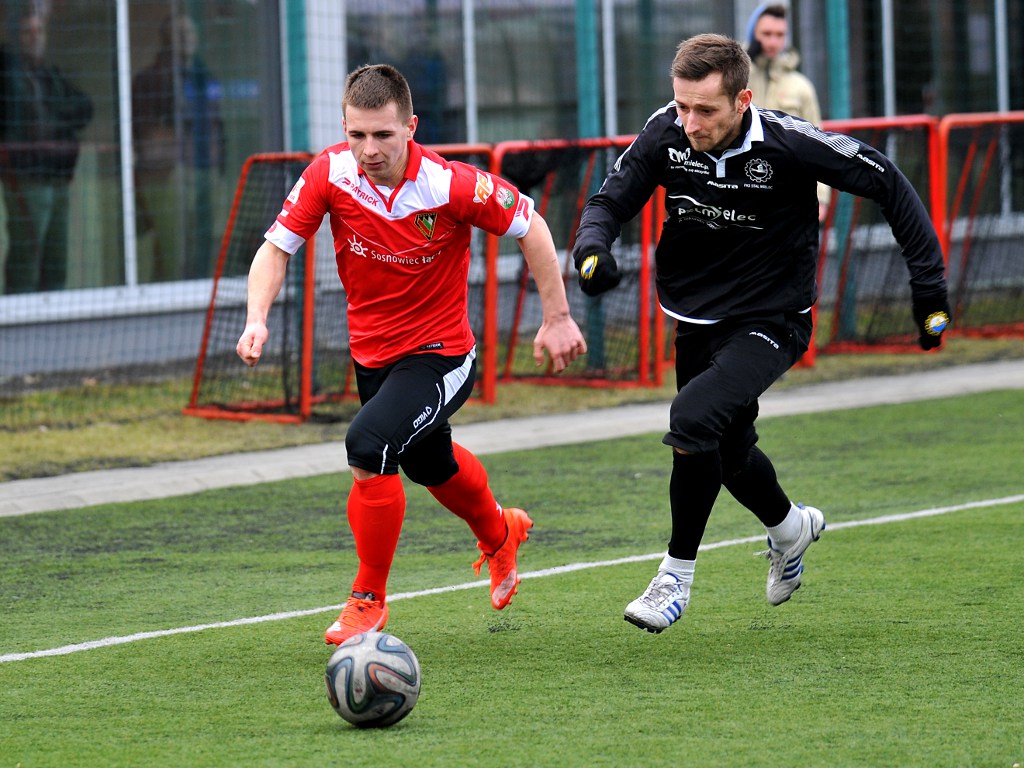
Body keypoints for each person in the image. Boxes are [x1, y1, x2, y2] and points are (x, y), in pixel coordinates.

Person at [572, 34, 950, 634]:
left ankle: (674, 578)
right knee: (727, 452)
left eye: (705, 110)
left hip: (773, 319)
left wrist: (928, 287)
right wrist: (592, 250)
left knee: (692, 418)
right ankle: (791, 528)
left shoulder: (791, 143)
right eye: (682, 106)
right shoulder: (666, 132)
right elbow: (608, 203)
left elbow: (888, 180)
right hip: (696, 316)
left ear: (743, 100)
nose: (690, 122)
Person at [236, 64, 587, 646]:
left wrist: (556, 317)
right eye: (356, 135)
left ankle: (367, 599)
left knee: (368, 445)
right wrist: (256, 318)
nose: (369, 150)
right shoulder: (329, 173)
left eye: (383, 135)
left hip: (441, 354)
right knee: (429, 463)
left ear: (411, 127)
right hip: (373, 357)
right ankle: (501, 533)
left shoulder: (449, 184)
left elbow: (532, 225)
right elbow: (276, 249)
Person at [0, 10, 92, 294]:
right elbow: (20, 120)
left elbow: (84, 108)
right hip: (26, 176)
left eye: (40, 31)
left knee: (56, 259)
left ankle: (53, 309)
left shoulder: (50, 75)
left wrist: (53, 119)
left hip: (57, 176)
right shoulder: (8, 73)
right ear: (16, 37)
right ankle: (19, 309)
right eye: (27, 32)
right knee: (26, 256)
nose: (35, 38)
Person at [132, 14, 224, 281]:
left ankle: (199, 289)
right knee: (171, 248)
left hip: (205, 169)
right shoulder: (151, 79)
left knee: (202, 243)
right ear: (166, 39)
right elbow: (144, 131)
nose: (187, 39)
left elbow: (217, 125)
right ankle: (165, 293)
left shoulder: (204, 77)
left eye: (190, 32)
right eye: (179, 33)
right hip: (169, 173)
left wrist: (219, 166)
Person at [745, 3, 830, 220]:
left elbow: (817, 143)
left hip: (789, 194)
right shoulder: (736, 79)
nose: (773, 42)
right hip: (742, 191)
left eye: (780, 34)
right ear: (753, 33)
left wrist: (820, 197)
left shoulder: (801, 87)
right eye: (766, 33)